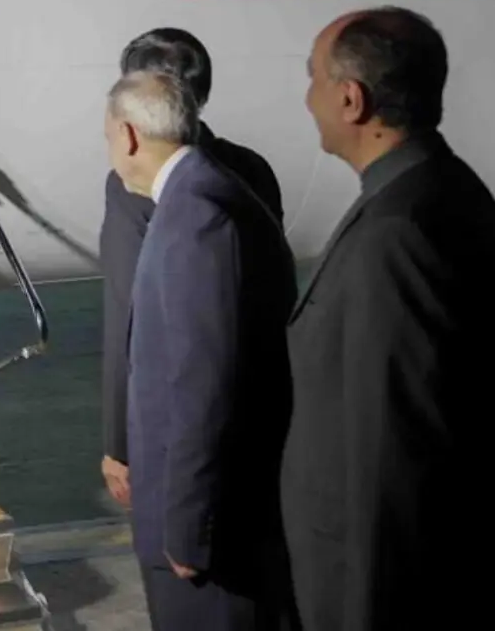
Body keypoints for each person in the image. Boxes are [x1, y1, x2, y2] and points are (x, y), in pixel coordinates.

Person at [281, 6, 495, 631]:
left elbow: (393, 459)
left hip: (395, 593)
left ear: (351, 99)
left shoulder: (396, 232)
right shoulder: (433, 190)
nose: (308, 98)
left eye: (314, 78)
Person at [104, 69, 297, 630]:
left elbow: (202, 387)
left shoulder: (195, 219)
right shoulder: (202, 194)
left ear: (129, 135)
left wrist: (189, 530)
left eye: (108, 136)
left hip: (206, 535)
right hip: (214, 517)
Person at [99, 28, 283, 508]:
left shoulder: (133, 186)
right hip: (262, 404)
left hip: (178, 426)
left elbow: (127, 315)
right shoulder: (253, 168)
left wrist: (119, 444)